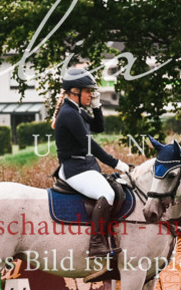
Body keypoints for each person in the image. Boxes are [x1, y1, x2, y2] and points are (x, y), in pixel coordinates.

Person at [52, 67, 130, 271]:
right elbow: (91, 145)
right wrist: (117, 164)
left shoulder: (76, 111)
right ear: (74, 91)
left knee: (116, 189)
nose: (91, 94)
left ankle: (106, 237)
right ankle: (95, 244)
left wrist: (97, 106)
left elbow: (98, 127)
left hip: (85, 166)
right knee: (107, 193)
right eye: (88, 91)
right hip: (75, 169)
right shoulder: (69, 114)